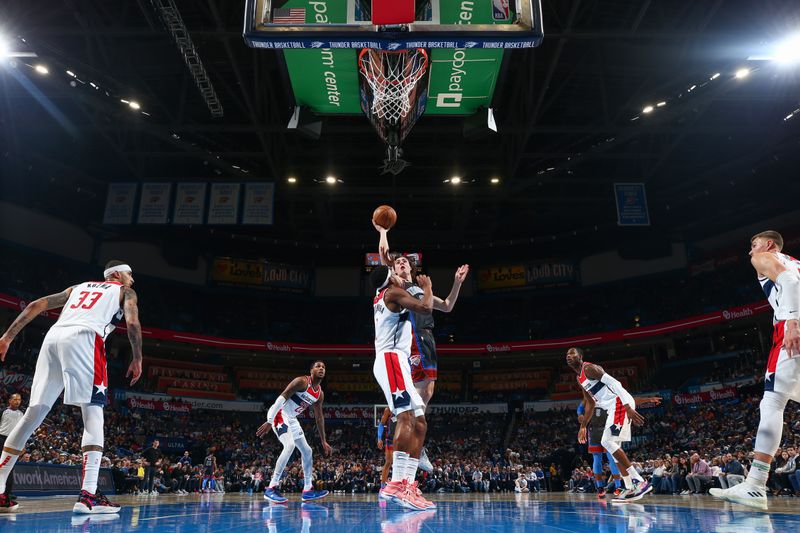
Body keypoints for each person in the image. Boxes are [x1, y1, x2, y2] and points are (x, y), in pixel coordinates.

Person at [0, 260, 142, 513]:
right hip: (85, 338)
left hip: (53, 338)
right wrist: (138, 357)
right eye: (129, 274)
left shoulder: (77, 287)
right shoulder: (124, 291)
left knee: (34, 413)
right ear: (117, 274)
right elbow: (132, 323)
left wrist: (7, 338)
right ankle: (88, 495)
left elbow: (36, 305)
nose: (132, 279)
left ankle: (0, 491)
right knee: (93, 412)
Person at [711, 231, 800, 510]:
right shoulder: (795, 260)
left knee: (772, 401)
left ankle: (755, 485)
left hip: (789, 327)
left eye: (753, 245)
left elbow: (789, 280)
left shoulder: (765, 257)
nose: (750, 252)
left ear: (769, 244)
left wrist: (792, 322)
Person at [375, 222, 469, 472]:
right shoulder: (396, 286)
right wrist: (383, 232)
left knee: (427, 391)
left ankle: (412, 428)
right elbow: (384, 254)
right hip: (411, 339)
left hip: (428, 339)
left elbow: (448, 305)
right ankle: (411, 432)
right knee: (421, 393)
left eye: (405, 261)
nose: (401, 262)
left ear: (412, 266)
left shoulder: (419, 289)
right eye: (397, 262)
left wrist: (457, 282)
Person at [369, 264, 436, 510]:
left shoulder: (385, 293)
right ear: (391, 279)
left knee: (420, 421)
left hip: (400, 361)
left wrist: (384, 233)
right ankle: (396, 484)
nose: (399, 274)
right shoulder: (393, 293)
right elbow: (426, 308)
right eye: (395, 273)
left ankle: (407, 483)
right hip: (391, 359)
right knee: (406, 417)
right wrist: (427, 288)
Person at [567, 347, 652, 502]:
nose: (568, 357)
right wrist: (583, 425)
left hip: (619, 402)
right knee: (614, 451)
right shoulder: (579, 378)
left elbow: (616, 383)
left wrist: (627, 406)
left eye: (572, 354)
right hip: (612, 407)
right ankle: (629, 487)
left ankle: (640, 481)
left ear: (580, 356)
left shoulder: (590, 369)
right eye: (567, 355)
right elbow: (591, 403)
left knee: (607, 441)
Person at [257, 360, 332, 503]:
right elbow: (281, 397)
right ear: (311, 371)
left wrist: (323, 440)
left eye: (323, 367)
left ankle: (308, 489)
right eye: (318, 366)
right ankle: (271, 487)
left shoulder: (319, 394)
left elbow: (319, 418)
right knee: (290, 445)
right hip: (279, 414)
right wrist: (270, 420)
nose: (321, 368)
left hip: (291, 419)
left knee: (308, 451)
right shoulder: (301, 382)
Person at [576, 400, 622, 498]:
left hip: (602, 430)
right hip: (599, 430)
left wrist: (580, 414)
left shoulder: (590, 395)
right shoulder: (600, 393)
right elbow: (580, 407)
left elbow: (580, 407)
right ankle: (615, 487)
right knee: (607, 458)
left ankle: (604, 487)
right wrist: (580, 414)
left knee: (604, 458)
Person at [0, 394, 23, 503]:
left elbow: (23, 431)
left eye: (19, 399)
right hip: (2, 439)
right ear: (10, 400)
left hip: (14, 442)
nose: (17, 401)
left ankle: (7, 493)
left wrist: (23, 444)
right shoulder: (3, 411)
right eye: (15, 399)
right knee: (2, 467)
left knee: (10, 468)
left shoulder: (21, 414)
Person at [377, 407, 394, 491]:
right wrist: (379, 438)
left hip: (402, 439)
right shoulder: (388, 409)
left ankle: (401, 485)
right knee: (389, 462)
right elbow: (381, 424)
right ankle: (383, 486)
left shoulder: (406, 408)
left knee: (402, 462)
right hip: (391, 439)